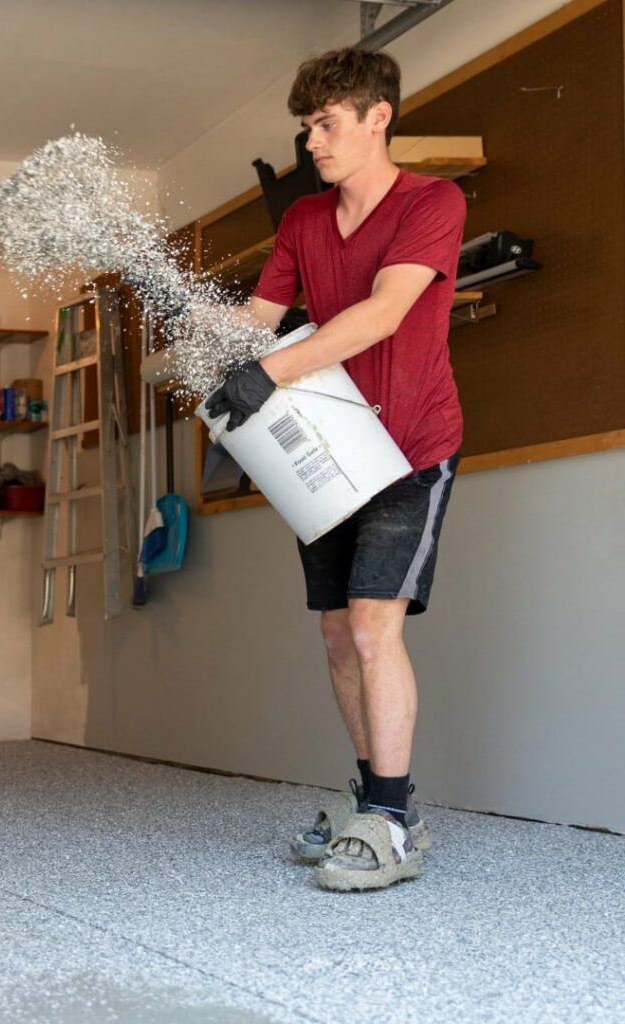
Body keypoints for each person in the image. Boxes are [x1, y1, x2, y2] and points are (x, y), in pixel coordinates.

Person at [205, 48, 465, 891]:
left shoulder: (433, 201)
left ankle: (389, 820)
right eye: (306, 126)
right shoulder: (304, 222)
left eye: (326, 123)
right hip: (331, 454)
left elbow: (384, 313)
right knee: (333, 634)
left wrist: (270, 371)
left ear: (377, 115)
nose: (311, 140)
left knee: (369, 624)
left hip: (412, 447)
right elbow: (257, 320)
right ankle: (377, 804)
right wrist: (204, 347)